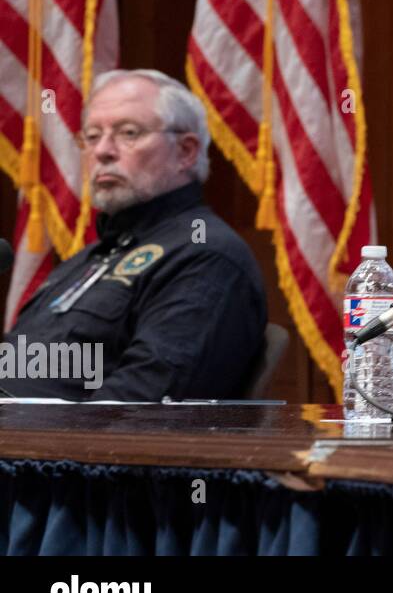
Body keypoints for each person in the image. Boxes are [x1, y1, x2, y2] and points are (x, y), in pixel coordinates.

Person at [2, 69, 267, 400]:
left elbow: (139, 406)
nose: (103, 151)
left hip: (63, 448)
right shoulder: (90, 257)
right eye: (92, 136)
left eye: (128, 133)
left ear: (185, 152)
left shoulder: (205, 255)